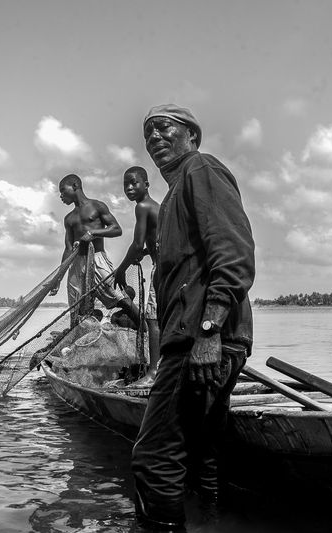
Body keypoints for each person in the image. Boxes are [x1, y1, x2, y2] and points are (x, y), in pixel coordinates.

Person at [131, 104, 255, 531]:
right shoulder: (171, 197)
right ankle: (210, 521)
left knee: (153, 459)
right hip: (199, 340)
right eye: (147, 133)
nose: (154, 138)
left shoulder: (201, 170)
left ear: (192, 136)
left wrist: (208, 330)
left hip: (203, 341)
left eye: (164, 128)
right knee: (203, 455)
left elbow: (235, 256)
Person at [50, 173, 140, 326]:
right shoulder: (69, 218)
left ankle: (146, 330)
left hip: (98, 260)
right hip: (77, 265)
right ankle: (76, 341)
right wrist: (58, 278)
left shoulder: (97, 206)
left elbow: (116, 229)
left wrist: (93, 233)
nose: (61, 196)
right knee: (77, 310)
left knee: (119, 298)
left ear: (75, 186)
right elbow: (68, 248)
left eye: (62, 191)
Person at [114, 166, 161, 386]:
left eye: (134, 183)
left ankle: (153, 373)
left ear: (146, 185)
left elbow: (137, 243)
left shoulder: (143, 206)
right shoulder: (154, 206)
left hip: (162, 268)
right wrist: (143, 254)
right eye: (126, 184)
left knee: (153, 320)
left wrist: (121, 269)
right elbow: (152, 240)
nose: (129, 188)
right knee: (162, 319)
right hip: (168, 266)